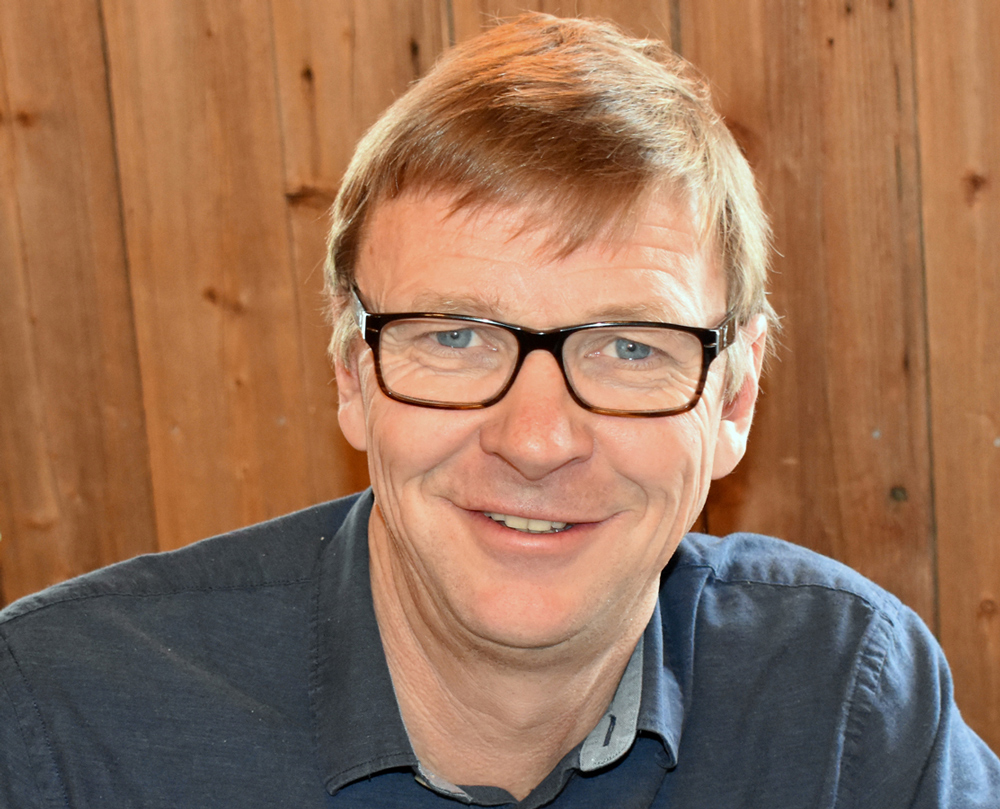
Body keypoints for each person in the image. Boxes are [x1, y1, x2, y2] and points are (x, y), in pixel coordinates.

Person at [1, 13, 998, 808]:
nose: (536, 440)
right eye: (455, 337)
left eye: (629, 347)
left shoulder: (849, 704)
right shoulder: (59, 725)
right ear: (352, 375)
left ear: (734, 395)